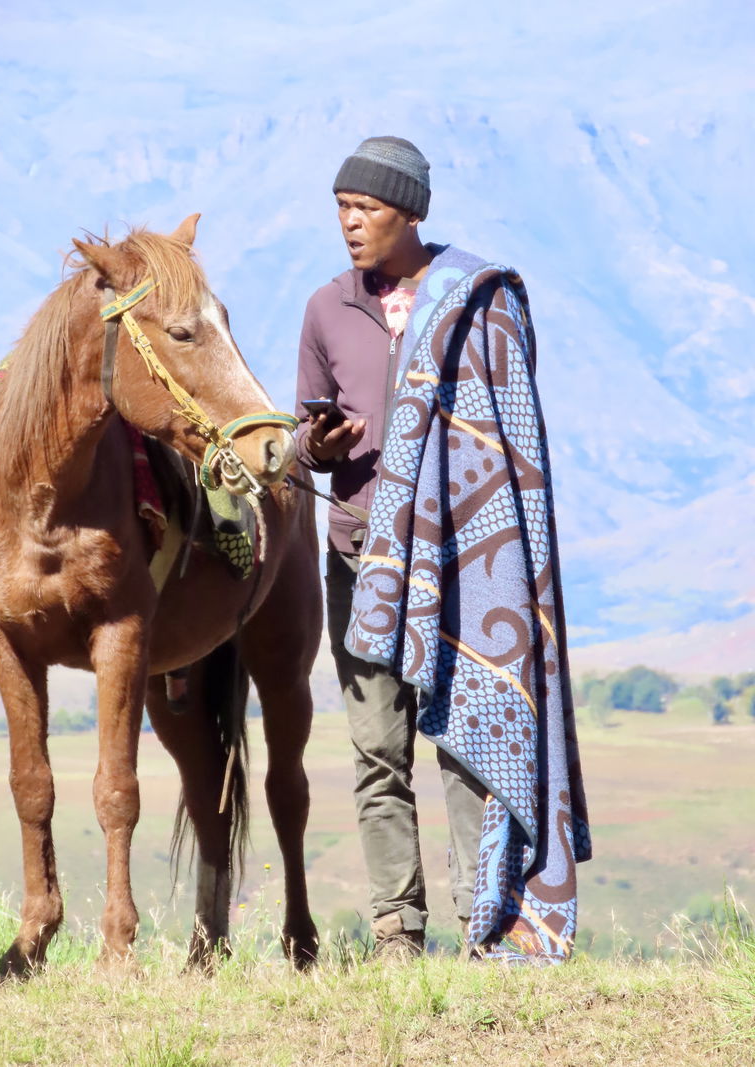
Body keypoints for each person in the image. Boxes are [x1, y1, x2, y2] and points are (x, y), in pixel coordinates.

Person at [294, 136, 591, 962]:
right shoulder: (326, 308)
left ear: (410, 213)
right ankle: (396, 930)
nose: (350, 223)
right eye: (342, 209)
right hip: (357, 557)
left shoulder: (473, 300)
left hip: (461, 565)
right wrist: (319, 444)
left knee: (466, 742)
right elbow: (299, 436)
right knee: (377, 752)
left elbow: (508, 426)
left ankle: (479, 924)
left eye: (366, 208)